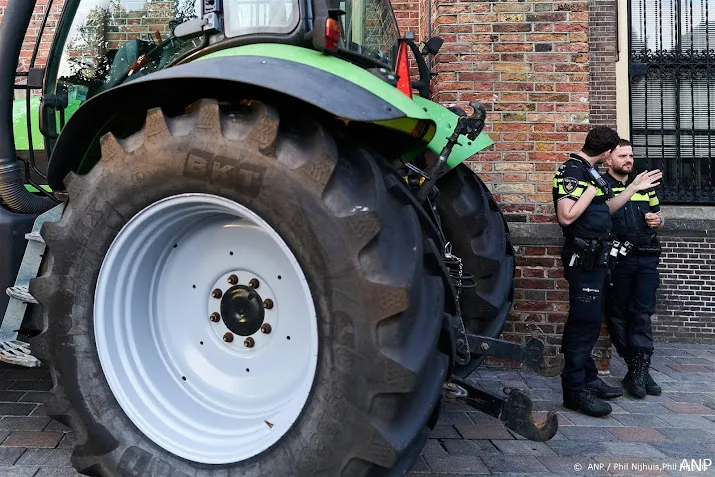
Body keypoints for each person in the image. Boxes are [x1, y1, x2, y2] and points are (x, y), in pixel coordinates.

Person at [552, 126, 662, 417]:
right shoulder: (571, 171)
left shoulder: (590, 172)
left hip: (598, 260)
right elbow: (566, 216)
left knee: (588, 320)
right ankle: (575, 390)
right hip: (583, 258)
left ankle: (587, 378)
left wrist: (632, 190)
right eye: (615, 152)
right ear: (605, 153)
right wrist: (590, 190)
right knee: (584, 323)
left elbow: (606, 209)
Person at [603, 138, 664, 398]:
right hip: (619, 259)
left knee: (642, 312)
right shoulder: (601, 185)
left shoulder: (645, 187)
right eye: (623, 156)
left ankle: (639, 370)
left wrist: (657, 220)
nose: (629, 160)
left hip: (647, 256)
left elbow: (659, 217)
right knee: (617, 313)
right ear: (608, 159)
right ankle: (637, 368)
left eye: (630, 156)